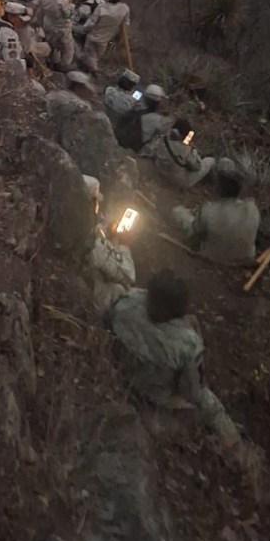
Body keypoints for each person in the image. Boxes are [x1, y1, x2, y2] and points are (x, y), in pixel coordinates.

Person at [105, 270, 238, 443]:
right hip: (155, 396)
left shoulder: (127, 301)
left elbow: (107, 321)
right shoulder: (187, 345)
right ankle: (238, 449)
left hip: (121, 369)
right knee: (212, 408)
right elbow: (193, 392)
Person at [173, 166, 260, 266]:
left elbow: (195, 236)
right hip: (246, 258)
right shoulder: (252, 208)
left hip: (214, 258)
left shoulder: (209, 209)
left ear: (219, 189)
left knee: (178, 212)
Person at [84, 176, 137, 313]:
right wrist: (124, 245)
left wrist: (107, 231)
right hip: (98, 302)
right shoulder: (94, 244)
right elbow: (128, 275)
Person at [142, 118, 215, 190]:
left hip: (160, 170)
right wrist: (194, 152)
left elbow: (152, 151)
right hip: (178, 181)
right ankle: (213, 185)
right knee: (211, 161)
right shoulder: (185, 149)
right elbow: (196, 167)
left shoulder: (161, 138)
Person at [77, 0, 130, 72]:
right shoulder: (124, 8)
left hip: (93, 36)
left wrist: (83, 30)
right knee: (96, 56)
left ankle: (91, 72)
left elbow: (90, 23)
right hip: (106, 38)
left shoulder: (102, 8)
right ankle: (91, 69)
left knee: (90, 56)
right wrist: (118, 34)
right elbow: (126, 23)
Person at [34, 0, 75, 71]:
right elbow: (67, 14)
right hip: (62, 28)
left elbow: (40, 12)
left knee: (53, 46)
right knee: (67, 48)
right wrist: (71, 6)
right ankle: (64, 66)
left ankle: (53, 63)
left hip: (48, 25)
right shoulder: (62, 1)